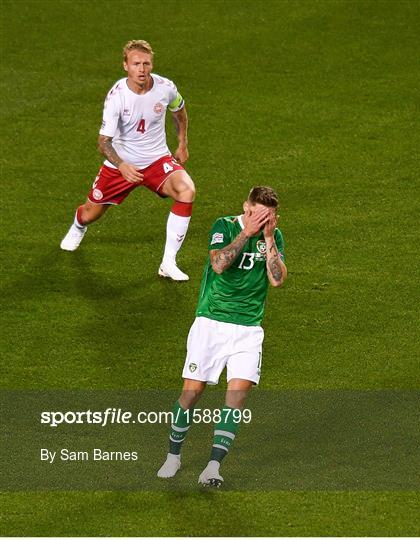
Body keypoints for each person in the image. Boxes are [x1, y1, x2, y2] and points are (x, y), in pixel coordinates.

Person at [157, 186, 287, 486]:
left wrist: (267, 238)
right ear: (246, 208)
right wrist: (247, 234)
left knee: (236, 400)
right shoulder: (224, 226)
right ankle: (173, 456)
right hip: (211, 324)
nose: (263, 220)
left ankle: (213, 467)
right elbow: (218, 264)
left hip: (248, 329)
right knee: (191, 394)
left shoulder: (274, 236)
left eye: (270, 216)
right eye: (258, 214)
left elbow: (277, 280)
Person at [60, 40, 195, 281]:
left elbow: (179, 111)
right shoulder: (117, 97)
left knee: (186, 190)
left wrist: (182, 143)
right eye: (136, 64)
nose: (142, 69)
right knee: (91, 213)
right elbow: (103, 142)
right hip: (120, 164)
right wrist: (122, 165)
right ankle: (79, 225)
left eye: (146, 63)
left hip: (157, 159)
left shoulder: (165, 87)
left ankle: (168, 263)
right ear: (125, 66)